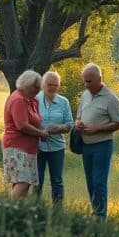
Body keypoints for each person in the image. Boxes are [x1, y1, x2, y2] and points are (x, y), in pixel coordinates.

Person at [75, 63, 119, 219]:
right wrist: (77, 123)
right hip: (86, 145)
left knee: (98, 182)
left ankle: (101, 216)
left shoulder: (111, 98)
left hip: (102, 145)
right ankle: (95, 212)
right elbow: (78, 116)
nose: (86, 84)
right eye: (84, 81)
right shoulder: (85, 95)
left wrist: (98, 128)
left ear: (99, 79)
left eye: (89, 81)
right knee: (90, 182)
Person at [2, 70, 50, 199]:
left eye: (39, 88)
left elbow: (36, 120)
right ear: (26, 84)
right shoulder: (18, 99)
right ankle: (8, 210)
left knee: (23, 182)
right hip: (16, 147)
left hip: (29, 148)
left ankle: (19, 213)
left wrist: (43, 131)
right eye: (35, 88)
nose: (38, 91)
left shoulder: (32, 100)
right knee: (24, 181)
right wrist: (41, 133)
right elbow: (22, 125)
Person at [36, 71, 73, 204]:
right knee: (37, 180)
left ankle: (58, 212)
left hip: (57, 147)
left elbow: (69, 125)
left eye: (55, 85)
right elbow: (28, 121)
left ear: (59, 86)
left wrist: (57, 128)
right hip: (37, 147)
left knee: (57, 180)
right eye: (49, 84)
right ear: (43, 85)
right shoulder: (34, 100)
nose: (52, 87)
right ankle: (35, 210)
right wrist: (41, 131)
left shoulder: (64, 102)